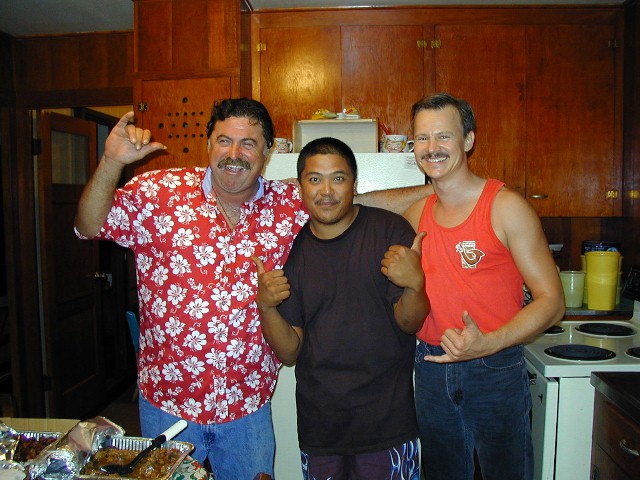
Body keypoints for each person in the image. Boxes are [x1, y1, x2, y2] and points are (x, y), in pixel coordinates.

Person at [74, 98, 430, 479]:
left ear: (266, 152)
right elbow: (89, 226)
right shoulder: (158, 193)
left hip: (247, 410)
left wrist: (440, 189)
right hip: (168, 404)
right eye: (224, 140)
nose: (234, 154)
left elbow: (352, 204)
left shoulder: (288, 202)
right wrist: (111, 162)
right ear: (209, 143)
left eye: (248, 143)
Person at [402, 93, 565, 480]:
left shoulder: (506, 207)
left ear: (469, 140)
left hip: (495, 367)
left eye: (444, 136)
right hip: (431, 367)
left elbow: (552, 301)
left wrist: (489, 343)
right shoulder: (415, 216)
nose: (432, 147)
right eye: (422, 138)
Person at [252, 137, 430, 480]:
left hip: (387, 423)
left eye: (338, 178)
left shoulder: (389, 230)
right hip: (321, 427)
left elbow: (410, 323)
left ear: (354, 184)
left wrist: (415, 284)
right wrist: (266, 307)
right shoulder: (292, 248)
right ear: (300, 187)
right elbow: (289, 353)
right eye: (314, 179)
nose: (326, 191)